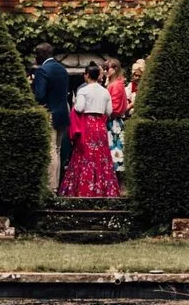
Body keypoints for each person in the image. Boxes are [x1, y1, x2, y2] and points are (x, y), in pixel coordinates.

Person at [62, 63, 120, 197]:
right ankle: (104, 190)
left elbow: (79, 108)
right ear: (98, 75)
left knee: (83, 156)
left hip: (87, 125)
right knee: (102, 156)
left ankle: (81, 189)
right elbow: (109, 111)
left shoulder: (84, 90)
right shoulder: (105, 91)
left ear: (87, 75)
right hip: (100, 126)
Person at [31, 43, 73, 187]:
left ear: (42, 55)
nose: (35, 57)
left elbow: (40, 96)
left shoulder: (43, 70)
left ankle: (51, 187)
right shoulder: (62, 69)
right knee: (57, 150)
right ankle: (56, 185)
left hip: (50, 114)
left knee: (50, 150)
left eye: (36, 54)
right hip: (63, 114)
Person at [104, 58, 133, 174]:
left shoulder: (115, 85)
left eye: (107, 69)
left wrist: (105, 112)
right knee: (116, 151)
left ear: (115, 68)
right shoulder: (117, 83)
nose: (105, 71)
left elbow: (115, 108)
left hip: (113, 122)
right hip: (115, 121)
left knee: (114, 151)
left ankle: (114, 179)